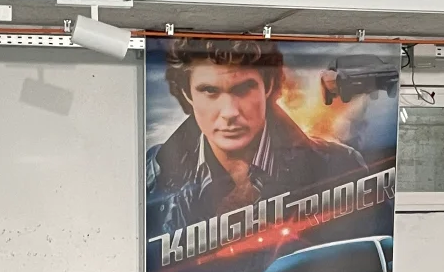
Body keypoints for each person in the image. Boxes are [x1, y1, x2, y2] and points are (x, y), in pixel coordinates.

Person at [146, 37, 367, 243]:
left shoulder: (340, 166)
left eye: (243, 89)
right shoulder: (153, 172)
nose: (230, 112)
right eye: (210, 91)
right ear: (187, 94)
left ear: (268, 86)